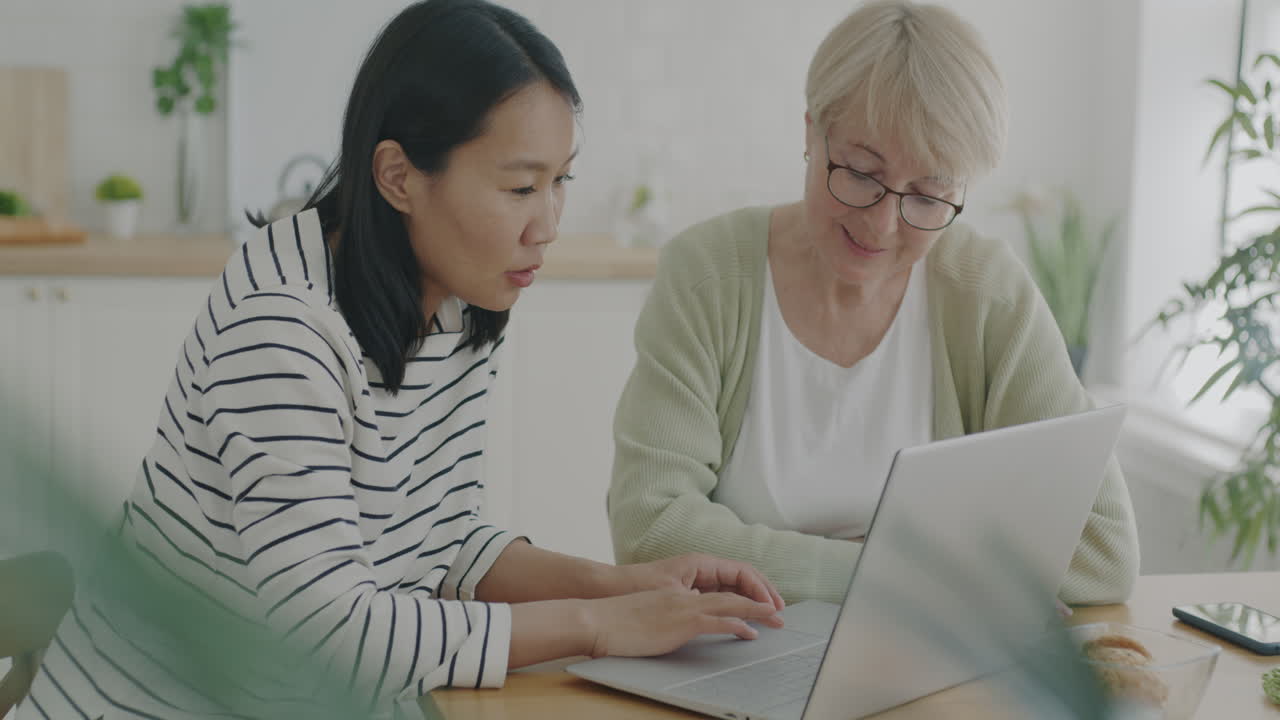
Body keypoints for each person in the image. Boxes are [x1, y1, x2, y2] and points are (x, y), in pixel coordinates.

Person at [17, 2, 783, 718]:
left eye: (561, 181)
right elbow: (333, 640)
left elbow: (437, 536)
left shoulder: (458, 300)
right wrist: (599, 624)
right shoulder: (280, 336)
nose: (548, 224)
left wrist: (621, 587)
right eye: (521, 186)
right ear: (398, 177)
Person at [608, 0, 1139, 607]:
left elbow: (1101, 551)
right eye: (861, 173)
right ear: (811, 132)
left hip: (924, 657)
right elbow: (650, 532)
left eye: (928, 194)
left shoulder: (987, 294)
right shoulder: (708, 275)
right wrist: (897, 573)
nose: (883, 225)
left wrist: (778, 562)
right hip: (738, 648)